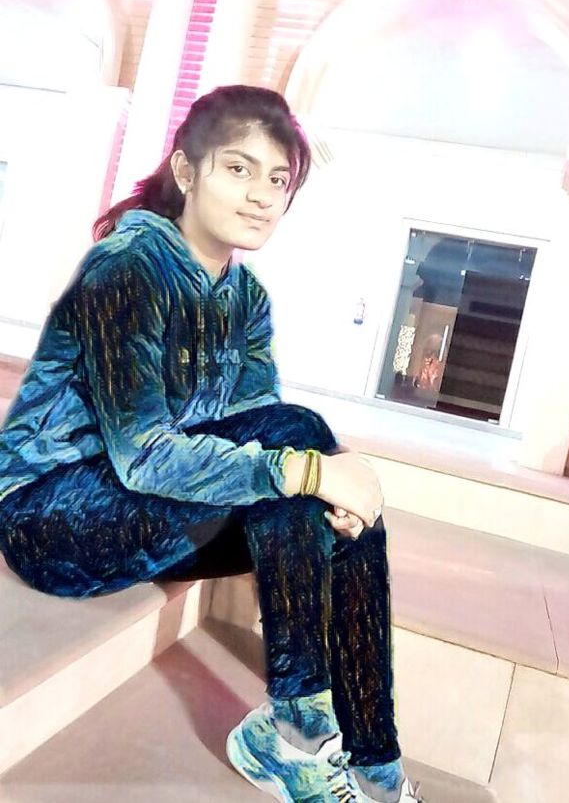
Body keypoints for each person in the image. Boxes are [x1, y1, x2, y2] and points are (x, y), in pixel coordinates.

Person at [0, 85, 423, 803]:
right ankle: (292, 736)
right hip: (50, 518)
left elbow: (259, 425)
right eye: (238, 168)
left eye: (278, 180)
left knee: (314, 470)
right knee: (303, 453)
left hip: (149, 510)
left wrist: (329, 490)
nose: (262, 195)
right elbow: (144, 454)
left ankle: (374, 760)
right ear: (186, 170)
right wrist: (311, 470)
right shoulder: (128, 269)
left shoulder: (245, 297)